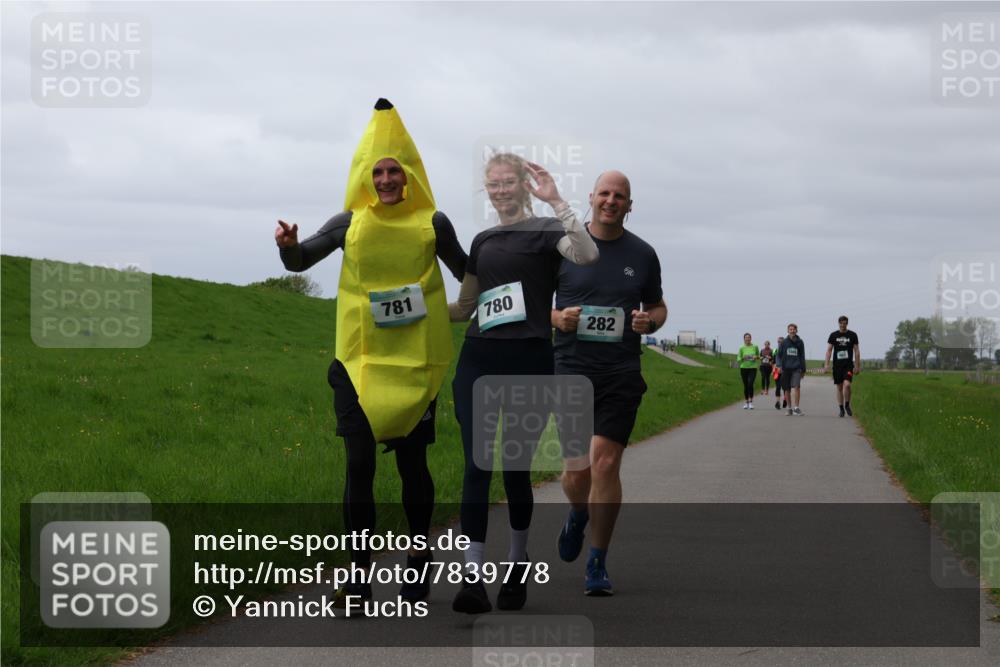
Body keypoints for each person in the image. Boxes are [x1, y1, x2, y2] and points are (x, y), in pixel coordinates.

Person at [275, 99, 467, 606]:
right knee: (358, 467)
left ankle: (419, 561)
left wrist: (472, 304)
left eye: (394, 171)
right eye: (377, 171)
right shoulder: (348, 224)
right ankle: (358, 576)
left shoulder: (434, 224)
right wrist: (287, 246)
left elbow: (467, 271)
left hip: (414, 368)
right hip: (357, 365)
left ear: (410, 177)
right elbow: (300, 261)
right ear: (365, 175)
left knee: (412, 467)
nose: (385, 179)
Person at [448, 153, 599, 614]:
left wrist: (557, 201)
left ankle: (516, 564)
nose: (500, 190)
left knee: (514, 470)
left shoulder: (547, 231)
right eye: (492, 184)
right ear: (486, 189)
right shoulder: (482, 239)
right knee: (477, 465)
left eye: (508, 182)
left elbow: (588, 254)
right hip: (478, 359)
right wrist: (415, 303)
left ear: (522, 185)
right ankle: (472, 577)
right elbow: (464, 308)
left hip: (529, 360)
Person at [551, 170, 666, 596]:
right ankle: (577, 513)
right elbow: (535, 301)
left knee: (605, 461)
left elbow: (657, 306)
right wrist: (557, 317)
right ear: (592, 198)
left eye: (620, 196)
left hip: (620, 370)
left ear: (629, 205)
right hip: (571, 366)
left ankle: (596, 562)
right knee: (576, 469)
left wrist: (648, 321)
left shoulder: (644, 253)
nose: (611, 201)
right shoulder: (564, 247)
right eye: (605, 193)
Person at [823, 315, 861, 417]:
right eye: (841, 323)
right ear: (838, 323)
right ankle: (841, 408)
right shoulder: (833, 335)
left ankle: (847, 404)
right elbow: (829, 350)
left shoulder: (852, 335)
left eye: (845, 323)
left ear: (847, 324)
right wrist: (826, 364)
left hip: (848, 365)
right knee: (839, 387)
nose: (843, 325)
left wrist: (857, 365)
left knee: (847, 385)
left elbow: (856, 351)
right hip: (837, 365)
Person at [776, 324, 806, 416]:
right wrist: (779, 365)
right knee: (787, 389)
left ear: (796, 331)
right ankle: (789, 408)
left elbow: (802, 356)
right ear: (788, 331)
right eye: (790, 329)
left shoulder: (800, 342)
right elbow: (778, 355)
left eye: (794, 329)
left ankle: (796, 408)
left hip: (796, 368)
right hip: (785, 369)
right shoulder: (784, 342)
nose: (792, 331)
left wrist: (803, 369)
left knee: (797, 387)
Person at [737, 333, 760, 409]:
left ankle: (750, 402)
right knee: (746, 385)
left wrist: (755, 357)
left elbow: (758, 356)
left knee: (750, 384)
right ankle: (746, 402)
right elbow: (738, 359)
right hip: (744, 368)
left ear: (751, 338)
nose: (747, 339)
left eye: (749, 337)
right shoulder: (741, 348)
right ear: (744, 339)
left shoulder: (755, 347)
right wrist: (743, 358)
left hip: (753, 368)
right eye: (746, 338)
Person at [773, 335, 786, 410]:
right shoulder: (775, 350)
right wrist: (774, 368)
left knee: (784, 387)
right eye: (778, 342)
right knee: (778, 387)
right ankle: (777, 402)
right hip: (777, 370)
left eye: (781, 342)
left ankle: (785, 399)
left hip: (785, 370)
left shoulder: (786, 350)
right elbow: (773, 361)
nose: (779, 343)